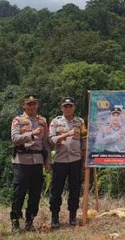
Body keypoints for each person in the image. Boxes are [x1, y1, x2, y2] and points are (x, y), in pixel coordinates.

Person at [10, 94, 50, 232]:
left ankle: (30, 221)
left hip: (37, 161)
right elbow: (15, 139)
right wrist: (31, 134)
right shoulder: (18, 120)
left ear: (37, 105)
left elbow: (45, 142)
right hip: (22, 160)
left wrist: (48, 162)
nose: (32, 106)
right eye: (29, 104)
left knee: (35, 193)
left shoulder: (42, 121)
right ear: (24, 105)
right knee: (19, 192)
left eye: (34, 103)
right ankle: (15, 221)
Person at [48, 97, 87, 229]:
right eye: (65, 106)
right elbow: (51, 140)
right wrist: (66, 135)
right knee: (56, 190)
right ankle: (54, 217)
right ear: (61, 108)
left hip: (76, 160)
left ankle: (73, 216)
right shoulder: (56, 121)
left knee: (75, 189)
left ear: (74, 107)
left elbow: (83, 141)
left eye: (70, 106)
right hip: (60, 160)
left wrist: (84, 160)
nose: (68, 108)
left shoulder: (80, 122)